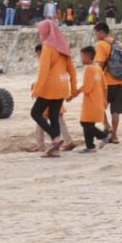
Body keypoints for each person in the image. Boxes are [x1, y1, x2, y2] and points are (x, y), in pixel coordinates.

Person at [31, 20, 78, 158]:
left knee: (35, 113)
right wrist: (73, 89)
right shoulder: (63, 46)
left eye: (40, 30)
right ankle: (55, 150)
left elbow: (43, 71)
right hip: (62, 86)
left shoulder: (48, 47)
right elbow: (72, 70)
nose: (40, 33)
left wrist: (37, 89)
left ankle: (55, 138)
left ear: (46, 31)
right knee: (53, 115)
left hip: (50, 87)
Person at [69, 46, 110, 153]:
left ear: (88, 56)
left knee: (85, 123)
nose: (81, 58)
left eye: (82, 56)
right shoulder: (97, 68)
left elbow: (86, 88)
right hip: (98, 100)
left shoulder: (89, 69)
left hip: (91, 101)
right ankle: (90, 146)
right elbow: (104, 86)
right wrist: (104, 100)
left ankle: (104, 136)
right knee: (89, 123)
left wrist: (74, 94)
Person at [93, 22, 122, 143]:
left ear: (102, 32)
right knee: (115, 111)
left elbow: (100, 64)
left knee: (99, 106)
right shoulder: (118, 44)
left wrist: (95, 78)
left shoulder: (101, 44)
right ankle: (115, 136)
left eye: (97, 32)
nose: (96, 35)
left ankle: (108, 128)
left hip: (107, 82)